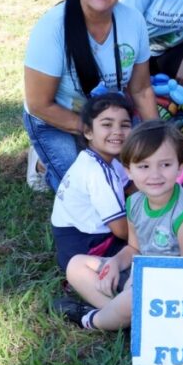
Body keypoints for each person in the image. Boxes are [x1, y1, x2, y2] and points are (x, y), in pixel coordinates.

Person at [24, 0, 157, 191]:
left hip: (109, 116)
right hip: (52, 117)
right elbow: (38, 103)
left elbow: (141, 90)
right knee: (90, 189)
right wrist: (98, 133)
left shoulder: (133, 20)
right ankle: (42, 164)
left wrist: (157, 136)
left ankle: (89, 144)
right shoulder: (52, 26)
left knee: (148, 171)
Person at [56, 121, 183, 330]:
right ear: (128, 170)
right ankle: (124, 316)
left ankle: (94, 320)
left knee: (132, 298)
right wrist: (115, 263)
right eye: (144, 166)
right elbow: (134, 248)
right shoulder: (135, 202)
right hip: (142, 274)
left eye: (165, 164)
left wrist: (140, 281)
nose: (154, 175)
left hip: (173, 287)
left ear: (180, 166)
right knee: (76, 265)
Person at [49, 94, 133, 273]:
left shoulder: (102, 159)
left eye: (125, 125)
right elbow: (122, 231)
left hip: (72, 243)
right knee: (154, 245)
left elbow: (132, 188)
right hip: (87, 248)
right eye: (107, 124)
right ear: (88, 132)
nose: (117, 131)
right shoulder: (97, 172)